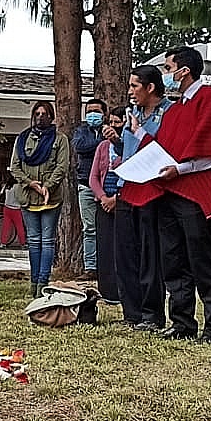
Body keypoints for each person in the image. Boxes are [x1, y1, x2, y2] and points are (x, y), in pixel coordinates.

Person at [147, 46, 211, 343]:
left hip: (193, 193)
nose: (166, 74)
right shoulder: (177, 108)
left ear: (183, 70)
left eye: (167, 67)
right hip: (169, 192)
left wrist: (180, 170)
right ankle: (182, 323)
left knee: (202, 259)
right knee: (173, 259)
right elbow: (163, 150)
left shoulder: (209, 99)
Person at [118, 65, 174, 331]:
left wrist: (140, 131)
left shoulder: (170, 113)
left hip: (153, 190)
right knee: (126, 252)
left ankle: (152, 315)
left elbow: (165, 149)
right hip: (127, 186)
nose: (130, 92)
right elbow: (128, 147)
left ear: (150, 87)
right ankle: (132, 312)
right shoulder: (134, 113)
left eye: (134, 86)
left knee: (150, 255)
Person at [10, 100, 70, 298]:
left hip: (50, 198)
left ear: (51, 117)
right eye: (37, 113)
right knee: (34, 241)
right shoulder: (22, 138)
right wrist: (31, 183)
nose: (40, 117)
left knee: (47, 241)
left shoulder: (60, 140)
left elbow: (62, 166)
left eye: (44, 114)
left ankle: (43, 282)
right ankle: (33, 283)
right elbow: (15, 167)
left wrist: (47, 186)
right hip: (28, 196)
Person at [90, 107, 128, 312]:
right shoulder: (103, 147)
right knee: (104, 247)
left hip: (123, 200)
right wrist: (103, 197)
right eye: (110, 122)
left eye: (117, 123)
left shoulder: (130, 145)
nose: (113, 127)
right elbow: (94, 176)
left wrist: (116, 199)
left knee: (122, 248)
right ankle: (107, 291)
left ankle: (125, 291)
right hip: (103, 202)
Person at [72, 98, 107, 277]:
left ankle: (107, 266)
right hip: (86, 185)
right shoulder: (81, 131)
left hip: (107, 187)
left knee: (107, 228)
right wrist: (101, 144)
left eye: (97, 111)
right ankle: (90, 267)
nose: (93, 114)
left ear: (104, 114)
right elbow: (79, 147)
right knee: (89, 228)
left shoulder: (110, 130)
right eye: (90, 111)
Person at [0, 172, 25, 247]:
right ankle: (22, 243)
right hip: (16, 209)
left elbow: (0, 195)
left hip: (6, 208)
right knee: (19, 226)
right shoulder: (18, 187)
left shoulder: (6, 186)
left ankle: (3, 243)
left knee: (6, 226)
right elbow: (21, 198)